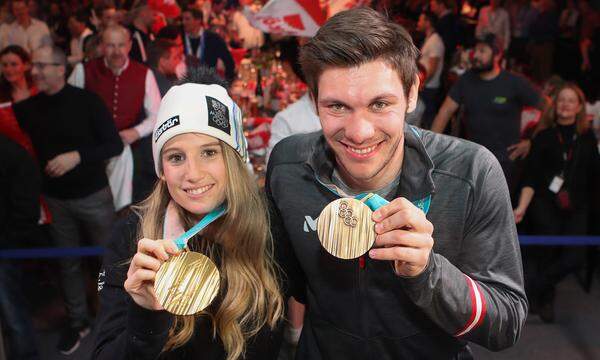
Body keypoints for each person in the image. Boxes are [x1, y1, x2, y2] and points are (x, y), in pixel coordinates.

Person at [268, 8, 526, 359]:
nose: (360, 132)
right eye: (337, 107)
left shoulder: (470, 172)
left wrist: (428, 272)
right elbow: (286, 283)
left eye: (379, 104)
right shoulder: (287, 166)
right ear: (313, 101)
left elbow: (506, 323)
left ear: (413, 92)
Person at [93, 66, 284, 360]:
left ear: (234, 158)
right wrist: (145, 314)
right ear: (161, 170)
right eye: (176, 157)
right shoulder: (133, 238)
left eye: (209, 152)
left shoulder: (270, 224)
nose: (192, 174)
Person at [13, 46, 123, 355]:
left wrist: (77, 156)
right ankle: (78, 321)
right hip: (55, 201)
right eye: (34, 65)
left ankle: (114, 320)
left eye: (41, 66)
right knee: (67, 264)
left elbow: (113, 145)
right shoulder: (30, 107)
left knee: (108, 261)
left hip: (93, 197)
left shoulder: (86, 102)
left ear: (61, 69)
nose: (35, 71)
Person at [513, 83, 600, 322]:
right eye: (561, 100)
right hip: (545, 203)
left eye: (571, 100)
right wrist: (521, 207)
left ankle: (534, 288)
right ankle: (546, 299)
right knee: (546, 252)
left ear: (580, 107)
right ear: (555, 105)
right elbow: (530, 177)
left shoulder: (587, 139)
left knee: (575, 257)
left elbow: (594, 176)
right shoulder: (543, 137)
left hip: (577, 204)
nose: (565, 104)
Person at [431, 33, 545, 199]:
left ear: (497, 55)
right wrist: (431, 147)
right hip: (473, 159)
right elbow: (445, 112)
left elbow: (548, 106)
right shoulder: (466, 80)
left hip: (505, 162)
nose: (476, 56)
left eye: (482, 51)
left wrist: (532, 141)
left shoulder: (514, 82)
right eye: (475, 51)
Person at [69, 25, 162, 206]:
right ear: (102, 46)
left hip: (126, 143)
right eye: (111, 45)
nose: (117, 51)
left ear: (129, 46)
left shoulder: (144, 74)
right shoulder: (84, 71)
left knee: (121, 151)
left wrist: (136, 131)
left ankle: (118, 211)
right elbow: (68, 108)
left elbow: (157, 114)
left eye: (121, 45)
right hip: (91, 142)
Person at [0, 134, 42, 360]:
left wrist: (11, 237)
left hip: (4, 248)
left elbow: (26, 202)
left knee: (12, 313)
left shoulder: (9, 152)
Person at [0, 45, 37, 156]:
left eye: (14, 64)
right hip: (12, 158)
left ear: (26, 65)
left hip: (41, 154)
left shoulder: (39, 91)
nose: (8, 69)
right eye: (5, 65)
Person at [181, 7, 235, 82]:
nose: (183, 22)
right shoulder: (180, 39)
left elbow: (229, 62)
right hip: (185, 85)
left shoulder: (213, 38)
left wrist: (227, 84)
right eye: (182, 19)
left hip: (208, 85)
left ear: (198, 20)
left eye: (187, 19)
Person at [417, 11, 444, 129]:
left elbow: (433, 68)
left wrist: (421, 84)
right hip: (425, 85)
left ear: (428, 23)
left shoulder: (435, 41)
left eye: (421, 20)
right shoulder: (429, 38)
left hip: (429, 87)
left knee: (427, 120)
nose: (418, 23)